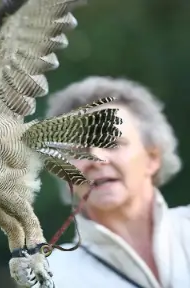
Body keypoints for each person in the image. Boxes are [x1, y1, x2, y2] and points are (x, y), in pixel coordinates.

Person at [43, 76, 190, 287]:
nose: (96, 159)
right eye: (79, 151)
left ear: (152, 158)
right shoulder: (53, 277)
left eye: (112, 143)